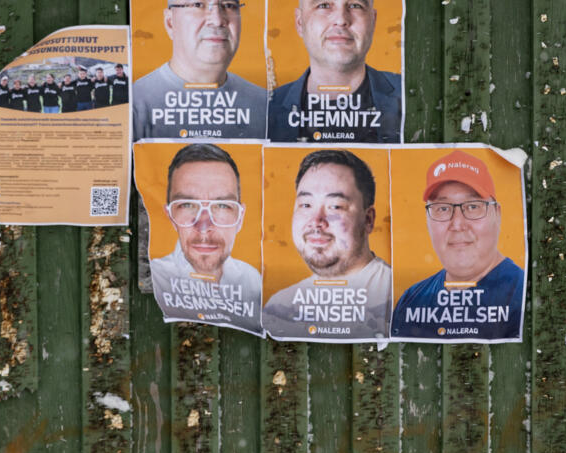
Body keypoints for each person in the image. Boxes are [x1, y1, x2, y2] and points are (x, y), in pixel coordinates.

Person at [391, 150, 525, 340]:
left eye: (472, 206)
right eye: (443, 209)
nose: (457, 224)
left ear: (497, 214)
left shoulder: (524, 295)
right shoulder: (411, 301)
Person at [263, 149, 392, 340]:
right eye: (306, 205)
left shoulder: (399, 298)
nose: (316, 221)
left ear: (368, 220)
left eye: (335, 206)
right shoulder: (280, 307)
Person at [150, 143, 262, 334]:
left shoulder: (252, 280)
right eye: (187, 204)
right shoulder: (155, 279)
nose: (204, 226)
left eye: (222, 205)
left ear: (240, 218)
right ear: (170, 216)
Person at [268, 0, 402, 142]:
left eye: (355, 5)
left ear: (373, 21)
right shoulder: (266, 109)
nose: (341, 20)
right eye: (324, 5)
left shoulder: (411, 98)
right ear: (300, 22)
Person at [132, 0, 267, 140]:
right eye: (198, 5)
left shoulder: (267, 107)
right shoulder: (133, 108)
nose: (217, 20)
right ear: (170, 23)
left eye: (228, 5)